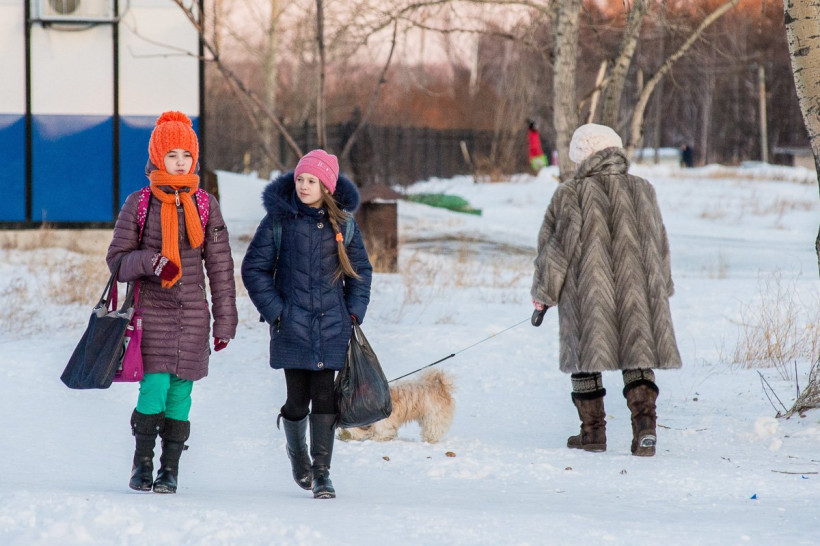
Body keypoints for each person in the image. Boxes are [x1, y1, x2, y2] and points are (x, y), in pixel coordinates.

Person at [530, 123, 682, 457]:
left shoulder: (571, 193)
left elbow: (556, 249)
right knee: (638, 355)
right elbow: (659, 241)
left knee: (584, 357)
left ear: (582, 157)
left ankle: (593, 434)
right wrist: (663, 285)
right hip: (637, 289)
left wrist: (544, 293)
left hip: (588, 291)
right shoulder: (643, 189)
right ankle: (645, 431)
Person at [106, 111, 238, 493]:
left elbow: (220, 267)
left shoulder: (205, 204)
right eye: (172, 155)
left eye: (186, 155)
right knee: (154, 387)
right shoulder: (139, 203)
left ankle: (170, 470)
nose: (180, 162)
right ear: (157, 157)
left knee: (181, 392)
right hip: (151, 314)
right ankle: (142, 464)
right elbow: (117, 261)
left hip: (193, 316)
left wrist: (225, 322)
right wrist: (151, 261)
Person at [241, 149, 373, 499]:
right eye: (300, 179)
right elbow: (253, 269)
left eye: (311, 180)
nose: (303, 186)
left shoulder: (343, 224)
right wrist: (277, 312)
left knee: (325, 398)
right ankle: (298, 454)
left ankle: (322, 473)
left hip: (332, 325)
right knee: (297, 401)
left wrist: (353, 312)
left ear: (326, 186)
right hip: (292, 325)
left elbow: (360, 272)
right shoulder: (279, 220)